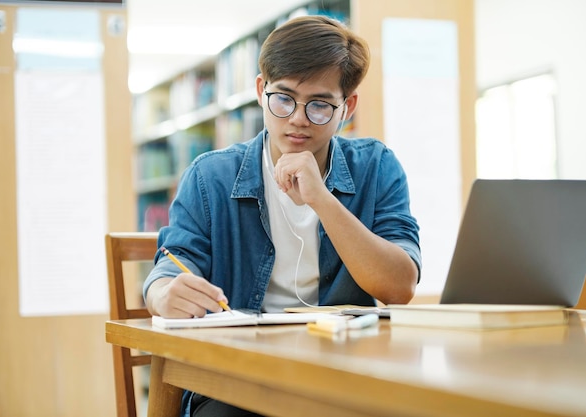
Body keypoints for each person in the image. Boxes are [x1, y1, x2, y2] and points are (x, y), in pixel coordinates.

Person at [143, 14, 421, 417]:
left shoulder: (376, 167)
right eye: (284, 98)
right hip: (237, 377)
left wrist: (323, 200)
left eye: (320, 105)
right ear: (261, 90)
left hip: (344, 371)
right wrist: (162, 295)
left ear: (349, 106)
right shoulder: (210, 176)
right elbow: (168, 271)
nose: (297, 118)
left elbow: (399, 287)